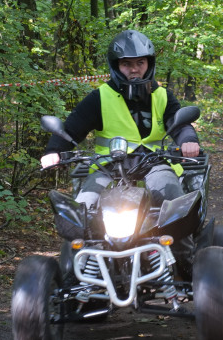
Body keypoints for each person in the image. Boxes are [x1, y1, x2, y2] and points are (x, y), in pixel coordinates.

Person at [40, 29, 201, 211]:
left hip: (154, 164)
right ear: (116, 66)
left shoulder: (162, 95)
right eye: (126, 64)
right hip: (108, 167)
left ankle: (183, 240)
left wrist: (188, 141)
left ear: (150, 63)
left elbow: (180, 125)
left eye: (140, 62)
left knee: (177, 207)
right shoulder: (100, 97)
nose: (134, 69)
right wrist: (54, 151)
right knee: (82, 211)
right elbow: (71, 129)